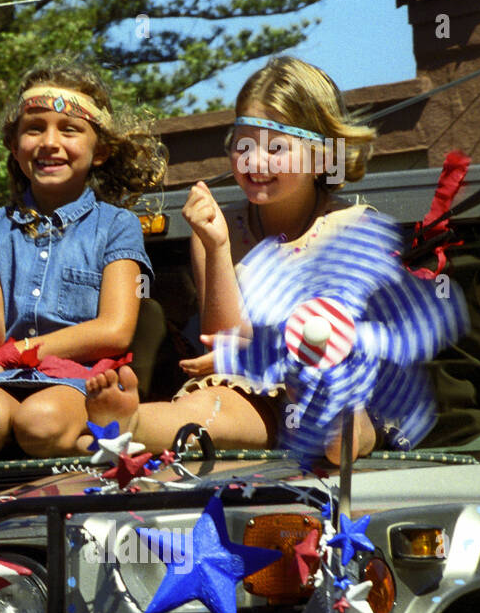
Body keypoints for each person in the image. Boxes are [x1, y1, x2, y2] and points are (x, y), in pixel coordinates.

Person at [84, 56, 378, 463]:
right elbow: (221, 339)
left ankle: (337, 439)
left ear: (319, 154)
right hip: (253, 390)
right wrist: (217, 245)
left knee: (330, 400)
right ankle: (130, 424)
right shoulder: (217, 228)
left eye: (275, 148)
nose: (255, 162)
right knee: (207, 410)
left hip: (336, 385)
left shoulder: (353, 228)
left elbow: (342, 340)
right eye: (244, 145)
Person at [0, 61, 164, 459]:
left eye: (69, 129)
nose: (49, 142)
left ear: (101, 150)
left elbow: (115, 330)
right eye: (34, 128)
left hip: (82, 380)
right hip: (1, 380)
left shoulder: (117, 224)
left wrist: (12, 353)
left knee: (40, 421)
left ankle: (101, 445)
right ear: (15, 146)